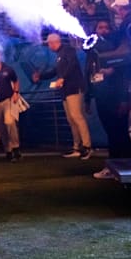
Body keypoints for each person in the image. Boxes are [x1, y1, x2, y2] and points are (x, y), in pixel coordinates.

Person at [32, 33, 92, 159]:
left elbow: (72, 65)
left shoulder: (68, 50)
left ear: (53, 42)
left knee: (77, 117)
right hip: (66, 90)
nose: (49, 46)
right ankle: (77, 147)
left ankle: (87, 146)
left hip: (74, 88)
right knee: (71, 119)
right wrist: (41, 76)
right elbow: (56, 71)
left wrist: (62, 78)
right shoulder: (60, 55)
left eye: (49, 44)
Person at [85, 19, 131, 178]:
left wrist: (124, 99)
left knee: (119, 133)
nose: (103, 30)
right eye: (100, 27)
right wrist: (87, 98)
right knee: (112, 132)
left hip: (116, 98)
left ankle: (121, 167)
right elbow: (89, 74)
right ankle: (115, 166)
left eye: (106, 27)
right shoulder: (94, 50)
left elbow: (124, 75)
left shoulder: (118, 47)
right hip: (101, 97)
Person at [0, 46, 22, 162]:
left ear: (0, 56)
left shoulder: (8, 69)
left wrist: (16, 92)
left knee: (10, 122)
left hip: (8, 100)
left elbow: (16, 80)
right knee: (1, 127)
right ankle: (8, 150)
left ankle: (16, 148)